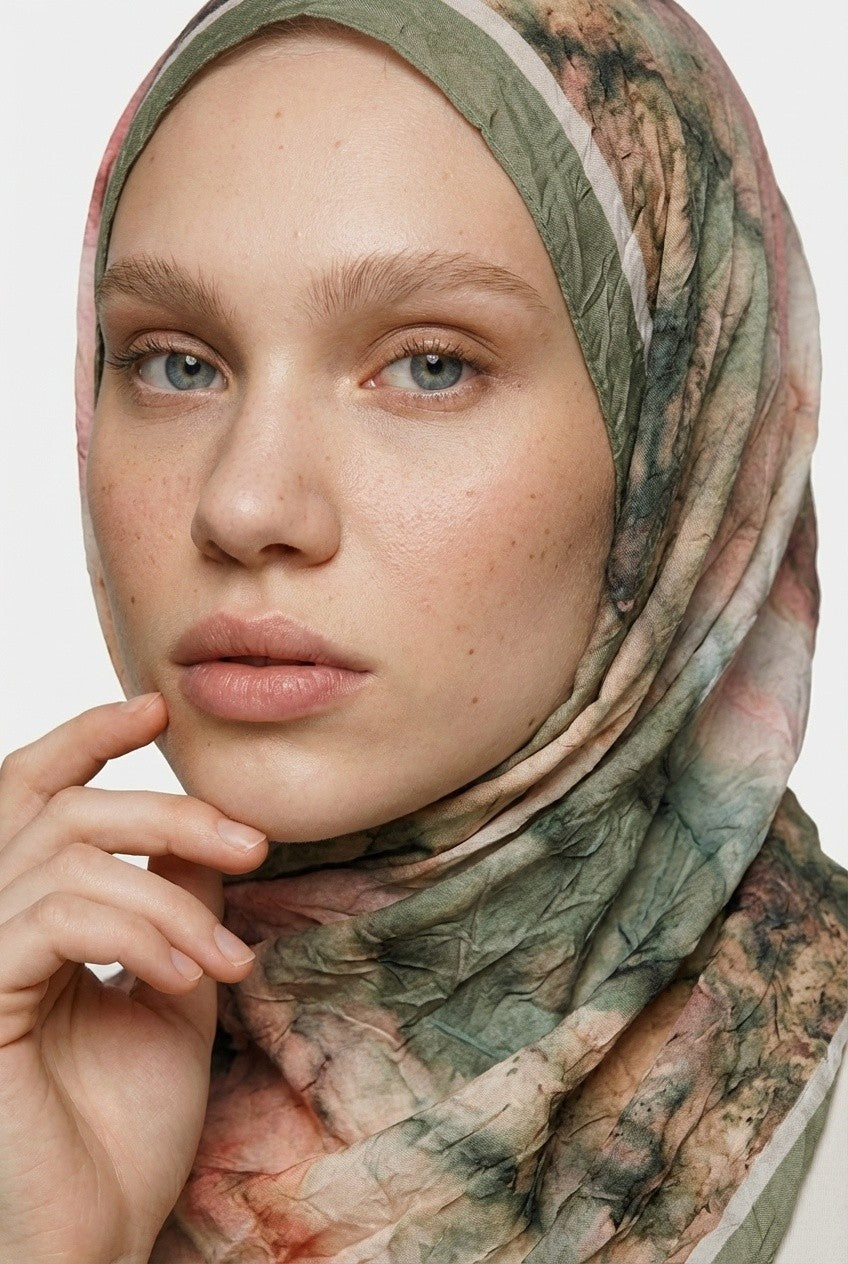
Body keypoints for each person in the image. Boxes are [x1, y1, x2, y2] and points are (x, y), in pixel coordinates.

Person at [0, 2, 845, 1261]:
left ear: (676, 449)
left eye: (429, 365)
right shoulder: (31, 1104)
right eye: (177, 363)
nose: (245, 505)